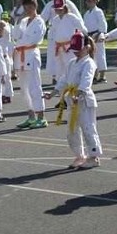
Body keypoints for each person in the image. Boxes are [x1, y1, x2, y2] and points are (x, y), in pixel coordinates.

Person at [46, 32, 102, 169]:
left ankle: (93, 157)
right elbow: (64, 79)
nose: (76, 53)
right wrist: (53, 93)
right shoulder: (72, 63)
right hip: (72, 100)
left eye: (79, 50)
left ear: (87, 48)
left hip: (84, 100)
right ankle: (79, 155)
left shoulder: (89, 63)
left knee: (88, 128)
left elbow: (87, 80)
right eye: (74, 50)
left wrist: (80, 93)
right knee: (72, 130)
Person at [12, 0, 47, 129]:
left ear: (35, 6)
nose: (28, 8)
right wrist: (18, 20)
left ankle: (41, 117)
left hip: (31, 54)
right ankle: (31, 116)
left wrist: (20, 42)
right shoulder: (23, 20)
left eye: (30, 6)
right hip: (20, 55)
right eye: (25, 6)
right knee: (24, 88)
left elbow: (32, 39)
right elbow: (15, 36)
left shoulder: (39, 22)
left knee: (34, 86)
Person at [46, 0, 87, 83]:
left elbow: (82, 29)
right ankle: (61, 89)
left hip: (69, 47)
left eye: (60, 9)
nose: (58, 11)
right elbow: (52, 34)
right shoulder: (55, 20)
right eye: (56, 9)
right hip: (58, 47)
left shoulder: (72, 17)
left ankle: (73, 86)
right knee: (59, 69)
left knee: (71, 67)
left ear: (65, 7)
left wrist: (85, 39)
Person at [83, 0, 108, 83]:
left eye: (90, 1)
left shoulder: (98, 11)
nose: (88, 3)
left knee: (100, 55)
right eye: (87, 1)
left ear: (95, 1)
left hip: (97, 34)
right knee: (92, 55)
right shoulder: (86, 13)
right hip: (89, 36)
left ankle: (102, 75)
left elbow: (103, 23)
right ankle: (94, 74)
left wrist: (100, 33)